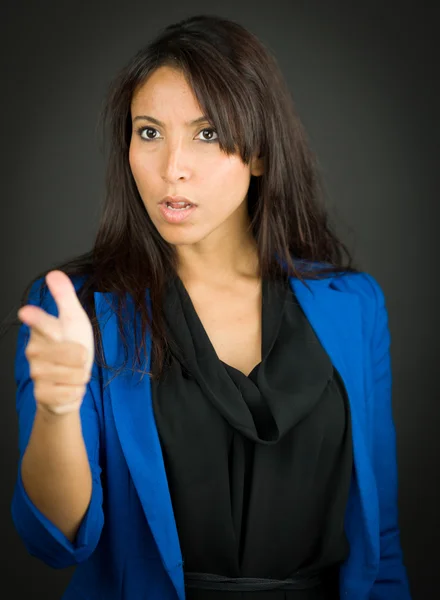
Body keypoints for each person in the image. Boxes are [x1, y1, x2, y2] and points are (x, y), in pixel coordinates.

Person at [10, 13, 411, 600]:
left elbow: (381, 540)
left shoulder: (354, 307)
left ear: (260, 156)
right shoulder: (78, 309)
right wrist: (58, 409)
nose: (173, 166)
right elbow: (55, 541)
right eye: (149, 132)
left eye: (207, 133)